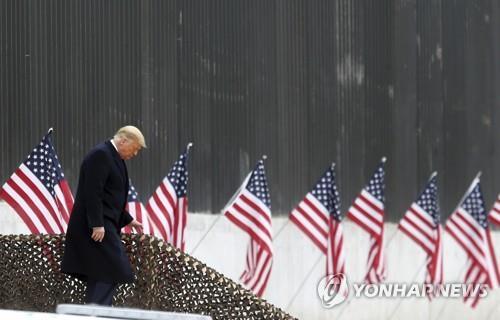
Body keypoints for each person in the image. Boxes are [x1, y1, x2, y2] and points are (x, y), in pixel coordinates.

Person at [61, 125, 146, 306]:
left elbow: (109, 198)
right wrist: (96, 224)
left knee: (102, 272)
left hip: (104, 224)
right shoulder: (101, 155)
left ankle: (96, 311)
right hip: (95, 228)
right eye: (136, 148)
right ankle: (97, 312)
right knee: (112, 268)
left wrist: (128, 219)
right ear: (123, 140)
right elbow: (92, 192)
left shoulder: (115, 158)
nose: (135, 153)